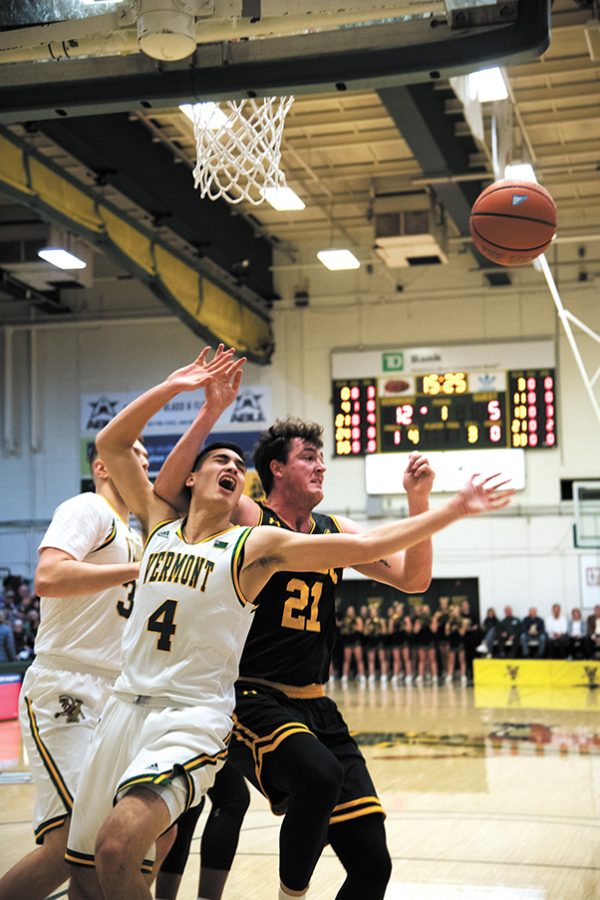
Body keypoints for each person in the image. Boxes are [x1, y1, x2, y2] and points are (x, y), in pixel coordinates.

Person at [59, 351, 512, 900]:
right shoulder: (247, 520)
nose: (321, 466)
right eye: (309, 458)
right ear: (275, 468)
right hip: (249, 694)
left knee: (372, 865)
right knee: (186, 820)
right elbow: (169, 489)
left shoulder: (326, 528)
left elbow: (413, 579)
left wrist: (423, 503)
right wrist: (198, 405)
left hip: (307, 700)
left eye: (323, 459)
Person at [0, 441, 148, 900]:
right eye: (134, 454)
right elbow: (49, 576)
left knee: (87, 848)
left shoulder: (139, 536)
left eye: (147, 460)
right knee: (76, 846)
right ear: (103, 466)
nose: (143, 464)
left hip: (114, 693)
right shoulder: (88, 508)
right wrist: (136, 570)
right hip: (67, 683)